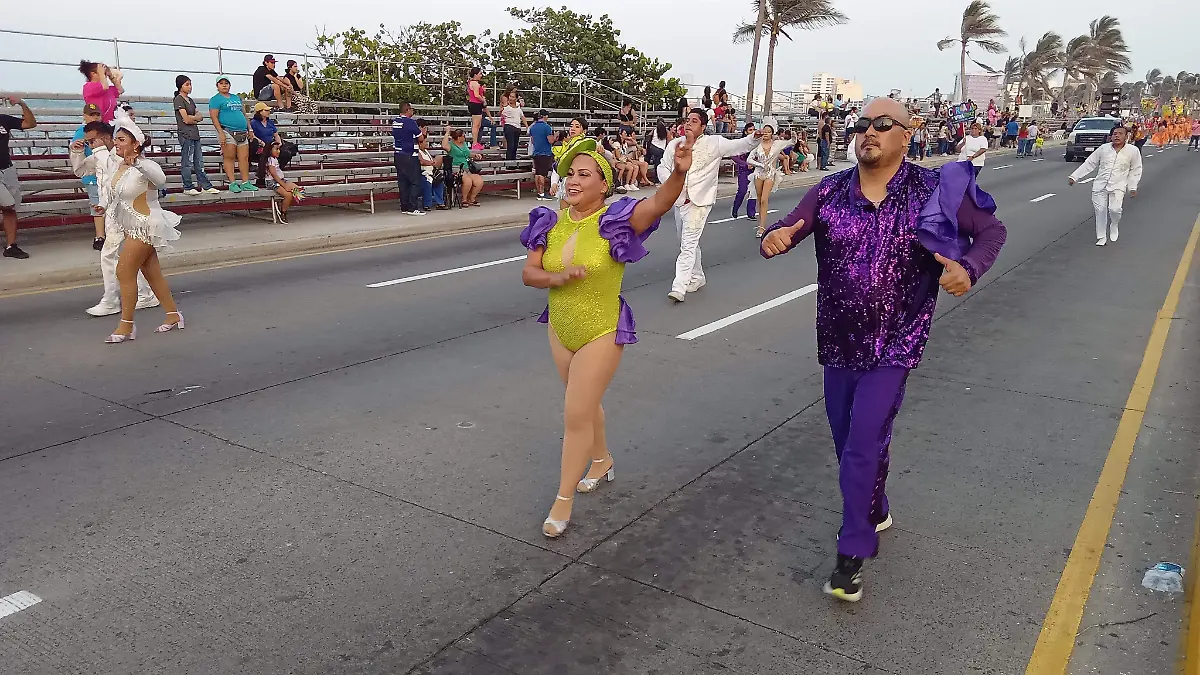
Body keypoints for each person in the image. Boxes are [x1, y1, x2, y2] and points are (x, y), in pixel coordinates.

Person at [760, 97, 1007, 602]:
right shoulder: (829, 191)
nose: (868, 132)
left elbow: (991, 231)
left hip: (895, 344)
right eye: (862, 125)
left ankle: (851, 552)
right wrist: (775, 235)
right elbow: (789, 224)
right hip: (837, 342)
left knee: (861, 442)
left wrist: (970, 267)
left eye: (882, 124)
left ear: (907, 133)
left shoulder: (933, 190)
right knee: (851, 441)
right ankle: (874, 504)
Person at [520, 132, 694, 538]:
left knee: (575, 413)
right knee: (584, 402)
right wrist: (557, 277)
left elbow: (658, 204)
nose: (574, 180)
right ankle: (601, 460)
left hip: (601, 328)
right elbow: (529, 274)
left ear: (604, 183)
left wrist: (678, 175)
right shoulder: (550, 222)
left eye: (585, 174)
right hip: (561, 328)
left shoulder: (615, 220)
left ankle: (562, 500)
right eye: (570, 174)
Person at [72, 109, 184, 343]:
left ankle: (126, 326)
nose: (116, 143)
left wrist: (138, 164)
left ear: (136, 144)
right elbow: (112, 193)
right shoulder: (119, 166)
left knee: (124, 271)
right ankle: (173, 315)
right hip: (129, 226)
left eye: (122, 140)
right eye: (116, 139)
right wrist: (102, 206)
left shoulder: (146, 165)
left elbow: (161, 179)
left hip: (146, 225)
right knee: (152, 274)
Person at [658, 109, 760, 302]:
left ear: (703, 127)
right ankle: (697, 277)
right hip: (679, 200)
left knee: (687, 244)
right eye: (687, 120)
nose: (688, 124)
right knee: (686, 241)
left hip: (700, 202)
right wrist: (671, 182)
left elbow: (740, 145)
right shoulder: (675, 144)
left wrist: (754, 137)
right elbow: (662, 167)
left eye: (694, 121)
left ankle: (679, 287)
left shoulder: (715, 143)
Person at [70, 120, 157, 315]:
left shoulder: (120, 155)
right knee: (122, 256)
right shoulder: (99, 156)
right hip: (111, 213)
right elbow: (81, 171)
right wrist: (76, 152)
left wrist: (99, 151)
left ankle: (112, 299)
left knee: (110, 255)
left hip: (127, 212)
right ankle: (144, 294)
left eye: (92, 141)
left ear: (107, 138)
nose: (90, 145)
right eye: (88, 142)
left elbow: (117, 177)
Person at [1069, 125, 1142, 247]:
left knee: (1115, 209)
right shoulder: (1103, 149)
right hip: (1100, 185)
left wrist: (1132, 186)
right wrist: (1074, 176)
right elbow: (1090, 163)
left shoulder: (1133, 151)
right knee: (1100, 211)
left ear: (1126, 136)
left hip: (1118, 185)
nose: (1117, 136)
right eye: (1114, 134)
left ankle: (1114, 224)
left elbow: (1136, 169)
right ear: (1110, 137)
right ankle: (1101, 237)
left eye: (1120, 133)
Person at [0, 96, 36, 259]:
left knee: (11, 207)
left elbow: (30, 124)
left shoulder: (3, 119)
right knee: (7, 203)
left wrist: (22, 103)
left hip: (7, 169)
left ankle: (11, 246)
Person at [747, 118, 795, 238]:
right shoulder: (757, 145)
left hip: (770, 174)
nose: (766, 134)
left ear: (772, 133)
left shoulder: (776, 144)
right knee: (759, 200)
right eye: (764, 131)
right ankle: (761, 225)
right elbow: (749, 159)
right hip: (758, 174)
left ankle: (763, 227)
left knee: (764, 199)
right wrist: (759, 164)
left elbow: (791, 142)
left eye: (768, 132)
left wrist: (794, 136)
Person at [209, 76, 256, 193]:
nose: (224, 85)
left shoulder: (236, 98)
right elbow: (214, 117)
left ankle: (245, 182)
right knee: (229, 157)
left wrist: (250, 129)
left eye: (226, 83)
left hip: (242, 131)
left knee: (244, 158)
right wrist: (220, 133)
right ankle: (232, 182)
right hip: (227, 130)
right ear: (217, 86)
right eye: (221, 83)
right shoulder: (215, 99)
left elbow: (244, 114)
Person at [173, 76, 217, 196]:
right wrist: (193, 118)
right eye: (187, 84)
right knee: (187, 161)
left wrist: (193, 118)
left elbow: (200, 116)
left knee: (199, 161)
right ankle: (188, 186)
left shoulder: (190, 100)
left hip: (195, 134)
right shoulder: (178, 100)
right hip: (185, 134)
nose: (190, 87)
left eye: (190, 84)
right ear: (180, 86)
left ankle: (205, 185)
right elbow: (185, 119)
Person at [392, 102, 424, 216]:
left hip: (398, 154)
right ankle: (412, 207)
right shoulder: (410, 122)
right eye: (412, 109)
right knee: (415, 182)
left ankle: (404, 206)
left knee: (403, 182)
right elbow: (420, 138)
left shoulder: (395, 121)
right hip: (410, 155)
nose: (413, 111)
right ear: (408, 110)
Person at [264, 142, 305, 224]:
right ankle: (283, 212)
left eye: (279, 149)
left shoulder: (275, 159)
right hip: (273, 182)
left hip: (281, 180)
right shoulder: (270, 160)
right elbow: (274, 176)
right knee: (288, 195)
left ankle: (282, 204)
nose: (278, 151)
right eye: (276, 149)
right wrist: (285, 186)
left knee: (298, 190)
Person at [443, 126, 484, 207]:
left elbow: (467, 154)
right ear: (459, 137)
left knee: (479, 181)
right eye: (463, 136)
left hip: (466, 167)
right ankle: (464, 199)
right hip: (456, 168)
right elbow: (444, 146)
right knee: (468, 181)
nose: (465, 137)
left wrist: (475, 155)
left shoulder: (464, 144)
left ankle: (472, 198)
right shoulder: (451, 145)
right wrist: (447, 133)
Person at [250, 103, 282, 187]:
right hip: (260, 145)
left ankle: (277, 169)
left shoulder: (270, 122)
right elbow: (252, 135)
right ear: (260, 112)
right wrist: (261, 142)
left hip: (271, 144)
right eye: (266, 110)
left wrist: (279, 142)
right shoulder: (253, 123)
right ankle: (263, 176)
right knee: (264, 152)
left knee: (286, 151)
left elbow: (276, 134)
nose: (269, 112)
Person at [730, 122, 757, 221]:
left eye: (754, 130)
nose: (752, 132)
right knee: (742, 191)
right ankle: (735, 208)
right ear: (745, 132)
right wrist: (745, 164)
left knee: (753, 191)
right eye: (750, 130)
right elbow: (733, 155)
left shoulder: (758, 143)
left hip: (755, 170)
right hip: (744, 170)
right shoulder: (741, 143)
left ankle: (751, 213)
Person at [529, 110, 557, 201]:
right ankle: (542, 193)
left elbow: (533, 141)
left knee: (538, 173)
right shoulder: (547, 127)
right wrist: (555, 136)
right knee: (542, 174)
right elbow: (550, 141)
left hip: (536, 152)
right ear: (545, 116)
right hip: (545, 152)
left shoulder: (533, 127)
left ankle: (539, 192)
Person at [416, 127, 446, 211]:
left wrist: (435, 161)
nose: (427, 143)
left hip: (431, 172)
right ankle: (427, 204)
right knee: (427, 183)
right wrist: (431, 163)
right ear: (420, 143)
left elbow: (432, 160)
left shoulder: (426, 151)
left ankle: (440, 203)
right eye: (425, 142)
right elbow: (421, 161)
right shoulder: (417, 151)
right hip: (422, 173)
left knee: (439, 181)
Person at [466, 67, 495, 151]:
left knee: (477, 125)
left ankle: (476, 143)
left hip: (474, 104)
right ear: (475, 74)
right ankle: (475, 143)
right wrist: (483, 100)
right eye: (480, 74)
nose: (481, 75)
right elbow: (477, 95)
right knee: (476, 125)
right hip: (475, 104)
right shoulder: (475, 83)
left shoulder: (471, 82)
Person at [500, 87, 528, 165]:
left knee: (515, 146)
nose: (511, 98)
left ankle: (513, 163)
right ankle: (509, 163)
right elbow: (501, 114)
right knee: (511, 145)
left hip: (517, 127)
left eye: (513, 97)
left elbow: (522, 117)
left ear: (516, 98)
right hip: (509, 126)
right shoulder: (506, 107)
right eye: (510, 96)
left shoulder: (518, 108)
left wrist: (526, 126)